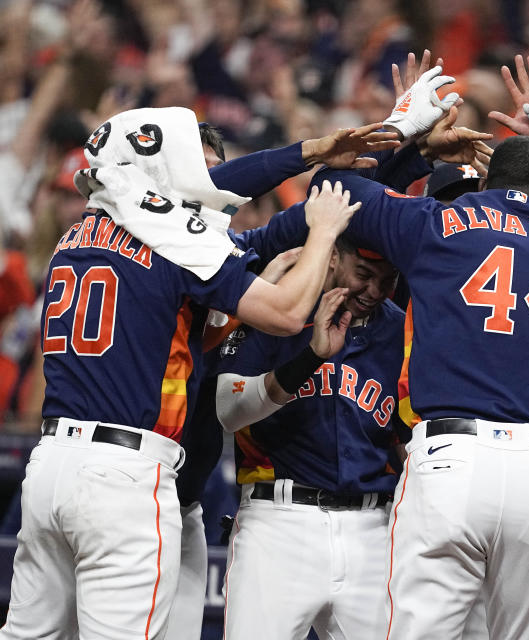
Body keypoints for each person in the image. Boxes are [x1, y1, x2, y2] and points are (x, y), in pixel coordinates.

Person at [0, 106, 383, 640]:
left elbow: (163, 332)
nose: (199, 182)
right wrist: (321, 235)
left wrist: (314, 152)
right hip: (123, 477)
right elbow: (289, 312)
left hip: (51, 467)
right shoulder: (170, 235)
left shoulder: (82, 226)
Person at [315, 65, 529, 639]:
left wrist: (403, 130)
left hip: (450, 463)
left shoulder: (439, 222)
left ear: (485, 186)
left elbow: (333, 191)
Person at [215, 235, 403, 640]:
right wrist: (310, 358)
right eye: (364, 274)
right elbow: (228, 410)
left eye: (386, 281)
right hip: (279, 524)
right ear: (333, 257)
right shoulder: (279, 308)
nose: (373, 291)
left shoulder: (402, 330)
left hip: (373, 529)